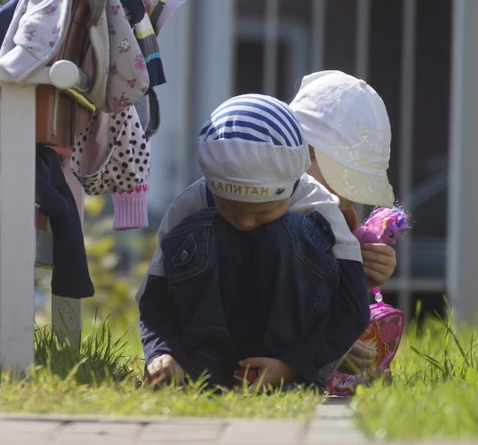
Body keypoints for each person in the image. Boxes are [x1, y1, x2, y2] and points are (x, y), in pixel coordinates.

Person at [137, 94, 370, 390]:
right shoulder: (190, 204)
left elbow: (353, 308)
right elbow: (154, 299)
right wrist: (162, 351)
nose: (246, 222)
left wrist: (294, 364)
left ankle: (290, 378)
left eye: (263, 211)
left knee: (289, 231)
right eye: (230, 209)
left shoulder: (317, 205)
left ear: (292, 186)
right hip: (207, 350)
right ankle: (201, 372)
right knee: (204, 227)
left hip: (293, 357)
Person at [289, 70, 399, 375]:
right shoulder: (268, 215)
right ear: (304, 151)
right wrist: (329, 343)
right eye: (343, 179)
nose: (348, 199)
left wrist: (363, 278)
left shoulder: (340, 215)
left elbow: (320, 290)